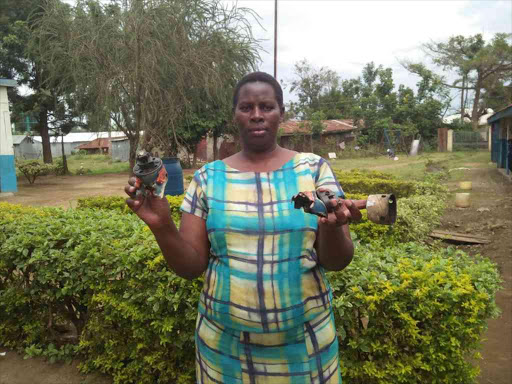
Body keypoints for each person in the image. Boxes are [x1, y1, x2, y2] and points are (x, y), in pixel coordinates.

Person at [125, 72, 361, 383]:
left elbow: (337, 260)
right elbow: (191, 266)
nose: (257, 115)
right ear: (234, 115)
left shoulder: (314, 169)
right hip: (225, 349)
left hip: (305, 344)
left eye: (267, 106)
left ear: (282, 113)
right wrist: (162, 225)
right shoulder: (207, 178)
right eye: (246, 107)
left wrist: (332, 227)